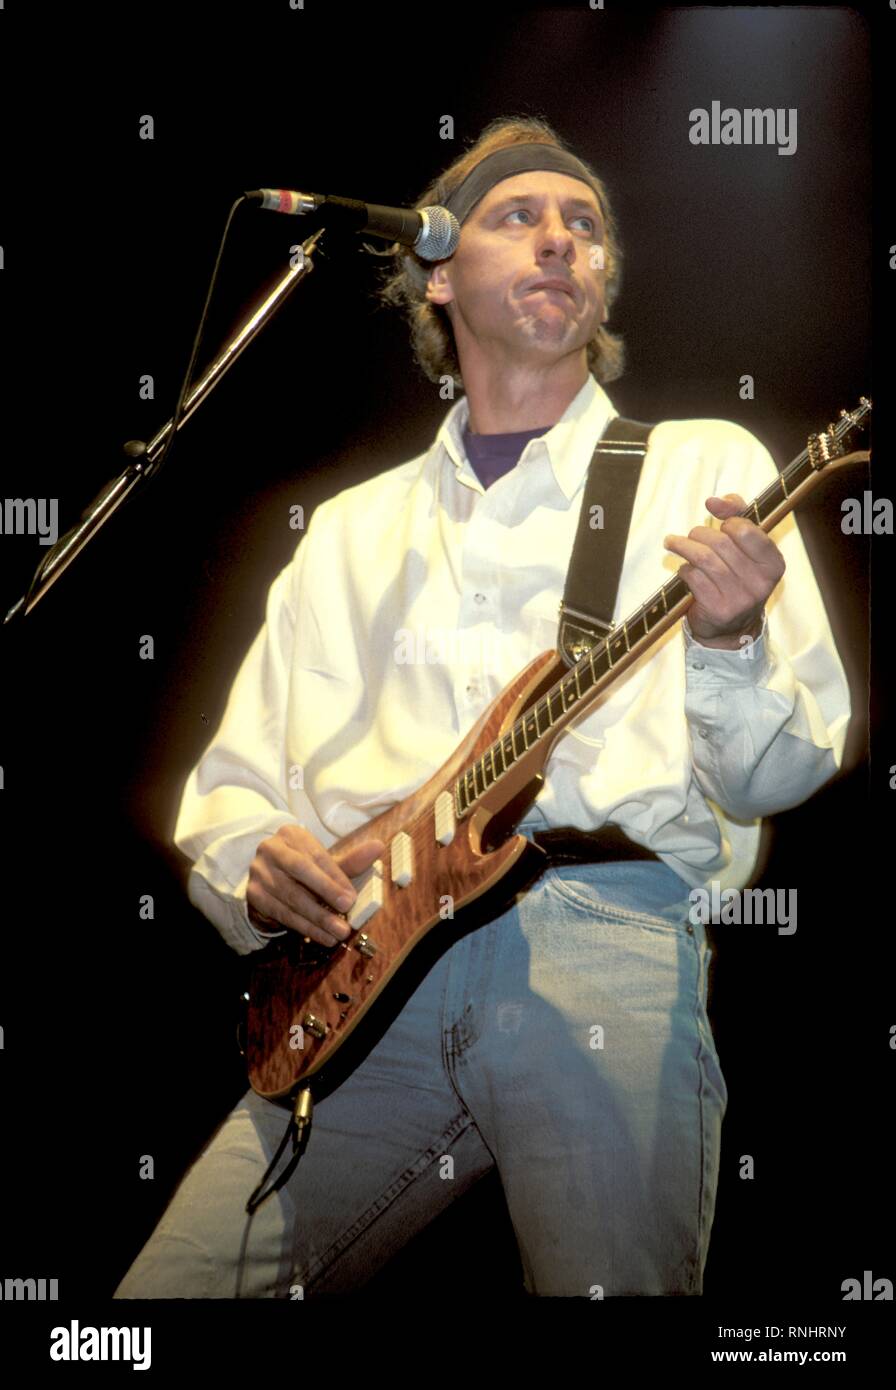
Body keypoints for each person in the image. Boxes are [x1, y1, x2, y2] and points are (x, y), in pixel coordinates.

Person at [113, 116, 851, 1299]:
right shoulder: (348, 531)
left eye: (586, 226)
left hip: (599, 936)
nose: (562, 241)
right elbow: (232, 785)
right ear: (438, 271)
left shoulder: (695, 467)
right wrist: (254, 864)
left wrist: (725, 640)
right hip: (361, 975)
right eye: (521, 216)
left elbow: (777, 770)